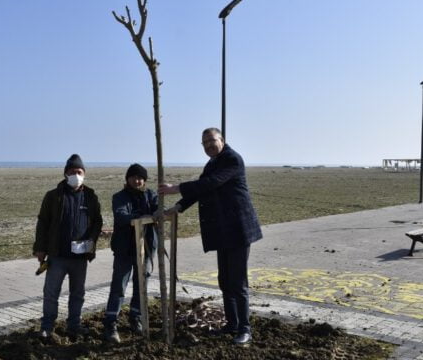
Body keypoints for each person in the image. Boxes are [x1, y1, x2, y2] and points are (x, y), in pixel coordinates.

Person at [159, 128, 262, 345]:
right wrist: (176, 207)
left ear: (222, 140)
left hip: (238, 230)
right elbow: (200, 191)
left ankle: (245, 329)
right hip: (223, 231)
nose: (208, 145)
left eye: (211, 141)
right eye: (204, 143)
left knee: (237, 282)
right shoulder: (212, 163)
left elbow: (210, 183)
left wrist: (176, 188)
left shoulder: (232, 160)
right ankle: (232, 325)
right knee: (224, 281)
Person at [32, 154, 102, 338]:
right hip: (57, 256)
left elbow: (97, 222)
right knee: (51, 292)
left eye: (79, 172)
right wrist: (40, 248)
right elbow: (43, 222)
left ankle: (74, 325)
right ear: (65, 174)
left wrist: (92, 242)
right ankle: (47, 326)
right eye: (72, 172)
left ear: (84, 174)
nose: (76, 175)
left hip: (80, 257)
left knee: (77, 293)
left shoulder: (90, 197)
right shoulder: (53, 196)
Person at [103, 163, 158, 343]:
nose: (137, 180)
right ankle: (111, 323)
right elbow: (121, 216)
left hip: (147, 248)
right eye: (134, 177)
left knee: (141, 286)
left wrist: (158, 213)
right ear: (127, 178)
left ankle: (136, 318)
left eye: (141, 177)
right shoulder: (119, 197)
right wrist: (139, 219)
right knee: (119, 285)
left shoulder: (150, 195)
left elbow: (158, 209)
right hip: (124, 249)